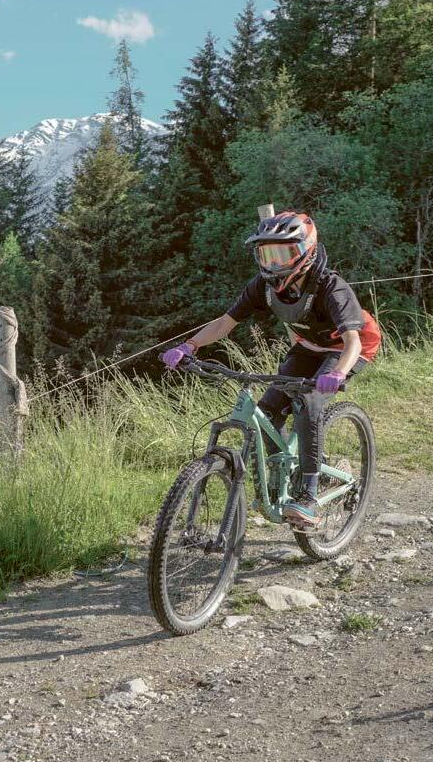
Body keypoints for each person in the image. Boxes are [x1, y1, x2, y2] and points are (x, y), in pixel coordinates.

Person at [162, 211, 381, 528]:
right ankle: (287, 472)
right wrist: (189, 346)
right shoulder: (263, 287)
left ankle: (308, 494)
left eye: (283, 253)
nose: (274, 264)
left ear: (306, 250)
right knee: (268, 411)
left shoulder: (332, 287)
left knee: (308, 403)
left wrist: (336, 374)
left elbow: (353, 342)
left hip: (348, 348)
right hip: (309, 347)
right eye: (267, 254)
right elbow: (225, 323)